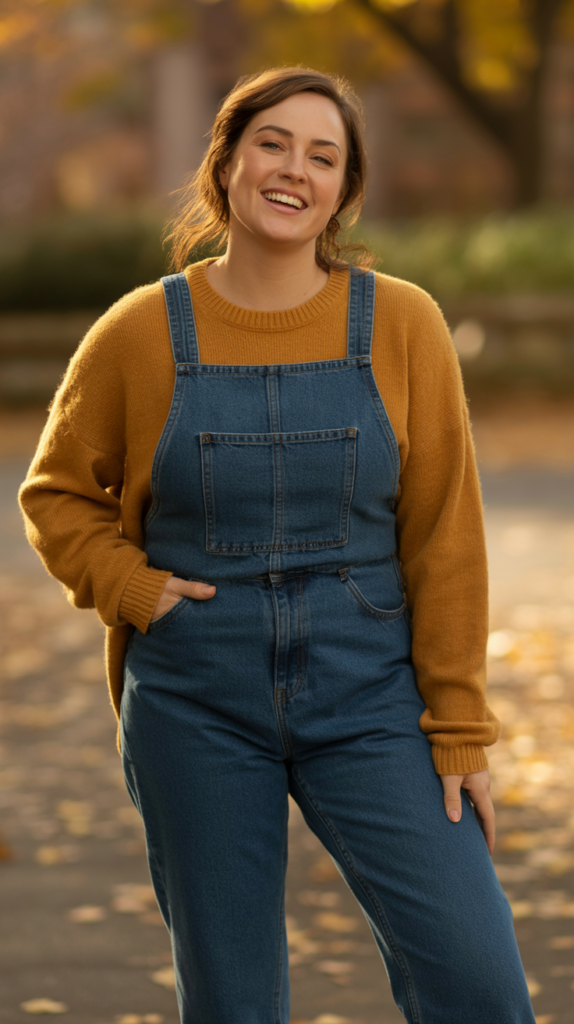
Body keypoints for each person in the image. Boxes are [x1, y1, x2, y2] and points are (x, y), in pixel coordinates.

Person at [19, 67, 535, 1024]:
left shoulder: (402, 323)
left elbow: (444, 537)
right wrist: (133, 588)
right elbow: (55, 495)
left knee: (480, 983)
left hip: (372, 693)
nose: (294, 169)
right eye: (272, 143)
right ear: (226, 162)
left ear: (344, 188)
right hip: (194, 699)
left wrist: (460, 725)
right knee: (234, 1004)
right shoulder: (139, 332)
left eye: (323, 154)